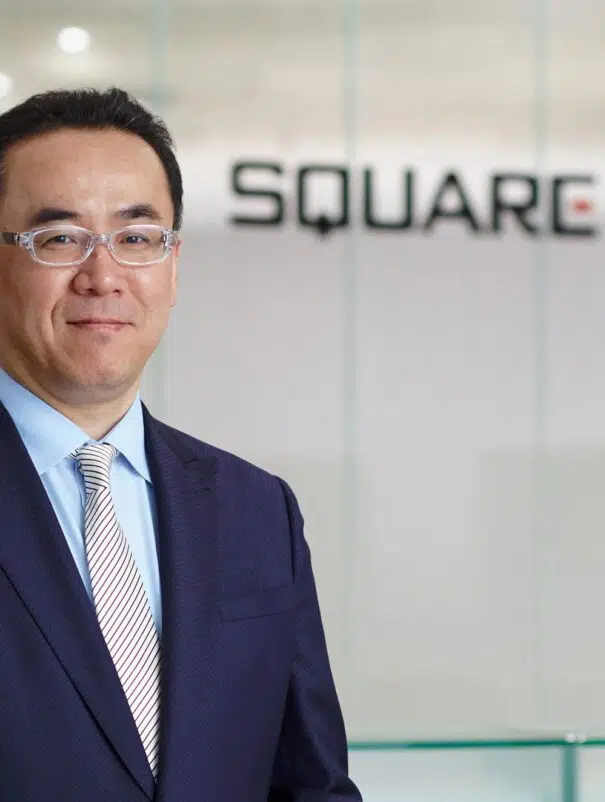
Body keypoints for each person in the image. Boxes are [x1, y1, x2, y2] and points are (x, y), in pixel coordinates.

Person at [0, 87, 362, 802]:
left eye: (137, 239)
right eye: (59, 238)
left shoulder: (258, 511)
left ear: (172, 266)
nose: (103, 277)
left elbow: (311, 784)